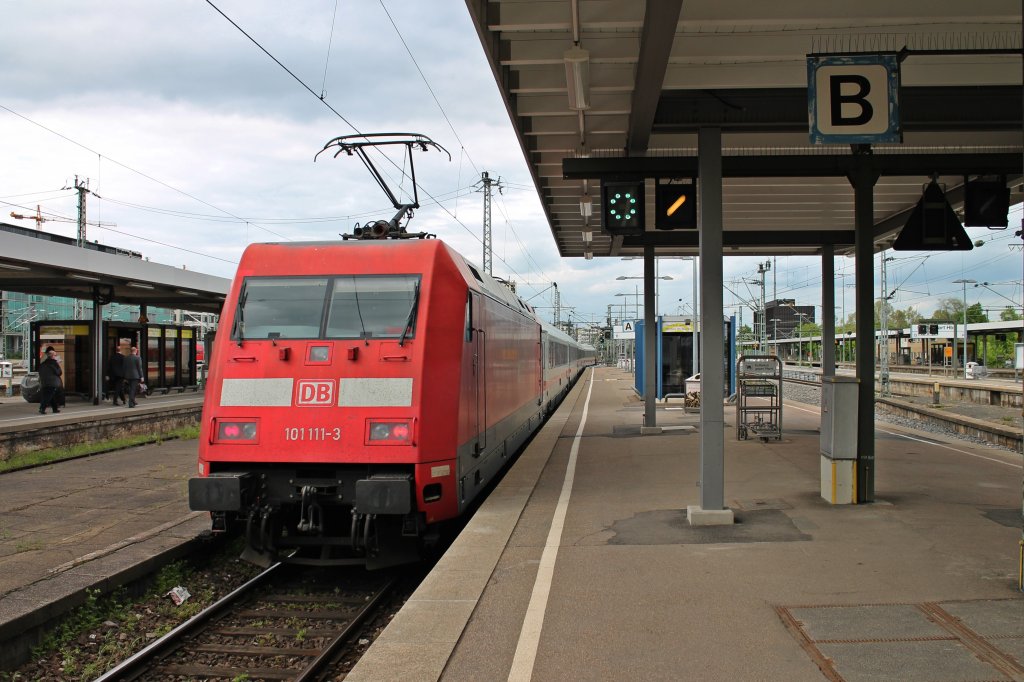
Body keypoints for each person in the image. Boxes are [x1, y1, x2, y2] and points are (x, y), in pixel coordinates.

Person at [37, 346, 63, 414]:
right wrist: (58, 365)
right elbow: (59, 372)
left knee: (51, 395)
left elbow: (40, 372)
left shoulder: (43, 363)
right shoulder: (54, 363)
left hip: (44, 382)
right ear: (52, 356)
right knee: (48, 396)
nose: (55, 356)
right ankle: (42, 409)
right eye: (55, 355)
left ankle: (55, 408)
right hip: (52, 382)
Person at [107, 340, 128, 406]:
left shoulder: (112, 357)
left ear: (116, 350)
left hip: (113, 375)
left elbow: (109, 366)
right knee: (118, 388)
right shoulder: (123, 357)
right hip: (120, 375)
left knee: (119, 387)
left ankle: (124, 400)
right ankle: (115, 401)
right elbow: (125, 367)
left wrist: (108, 375)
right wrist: (125, 375)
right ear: (120, 350)